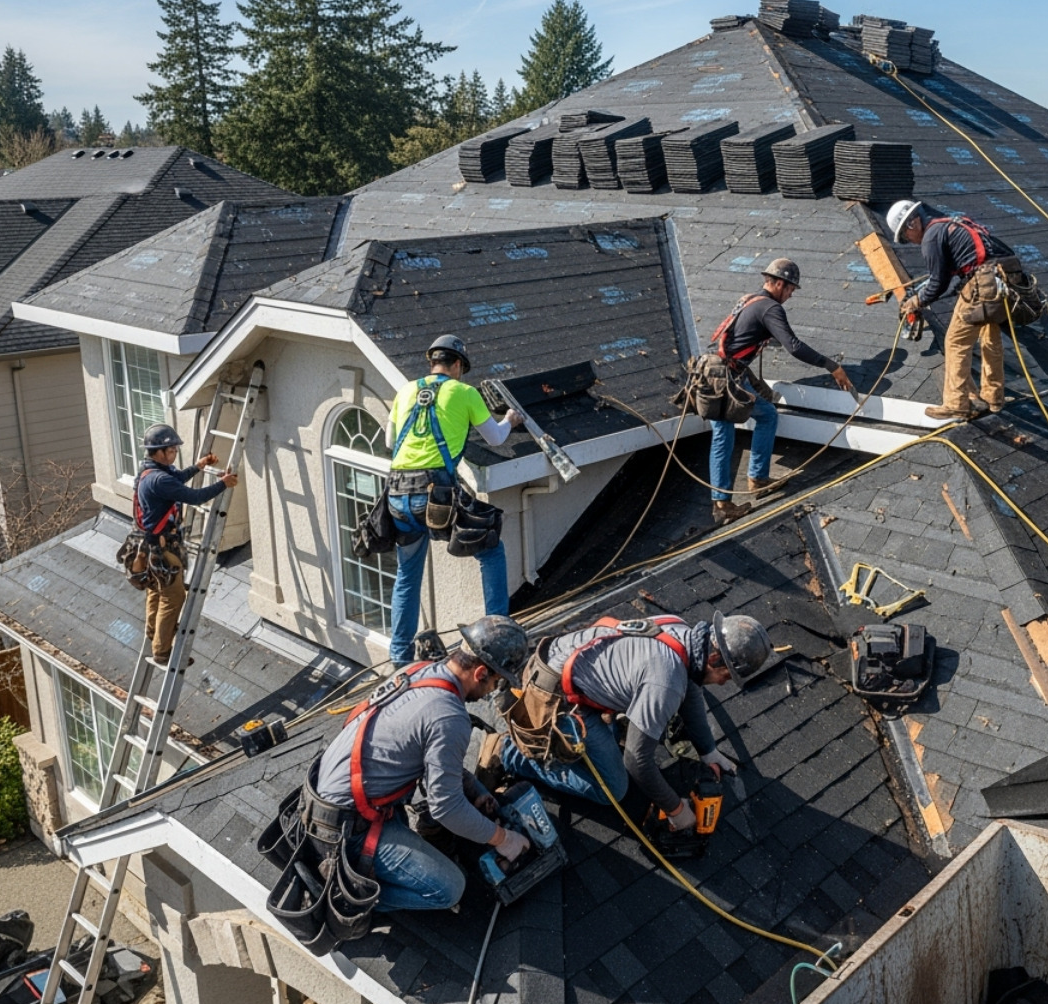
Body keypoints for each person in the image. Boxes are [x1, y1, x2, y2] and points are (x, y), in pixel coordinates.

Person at [313, 616, 532, 912]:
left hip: (326, 796)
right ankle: (348, 894)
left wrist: (476, 789)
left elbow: (430, 760)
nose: (494, 690)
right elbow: (447, 808)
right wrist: (503, 839)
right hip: (343, 828)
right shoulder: (449, 717)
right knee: (449, 890)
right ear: (481, 672)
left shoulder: (418, 671)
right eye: (498, 681)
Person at [499, 612, 772, 831]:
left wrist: (708, 750)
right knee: (614, 789)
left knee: (647, 716)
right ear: (714, 657)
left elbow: (692, 687)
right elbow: (637, 761)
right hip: (557, 697)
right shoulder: (666, 681)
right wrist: (676, 810)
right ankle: (510, 753)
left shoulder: (681, 631)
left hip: (564, 662)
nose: (725, 684)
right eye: (727, 676)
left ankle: (596, 733)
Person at [387, 335, 523, 667]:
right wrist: (509, 420)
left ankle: (399, 657)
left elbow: (391, 441)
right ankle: (498, 636)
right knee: (491, 548)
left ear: (432, 362)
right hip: (435, 497)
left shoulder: (405, 391)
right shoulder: (464, 392)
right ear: (458, 366)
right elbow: (495, 437)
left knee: (407, 574)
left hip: (396, 496)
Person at [708, 258, 854, 525]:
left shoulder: (749, 299)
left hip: (719, 373)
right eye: (789, 289)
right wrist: (831, 365)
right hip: (729, 379)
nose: (789, 296)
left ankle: (757, 480)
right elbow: (794, 346)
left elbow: (745, 336)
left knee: (765, 416)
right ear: (777, 283)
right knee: (724, 435)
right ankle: (723, 504)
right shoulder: (770, 309)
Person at [887, 200, 1018, 420]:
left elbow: (938, 282)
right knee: (989, 337)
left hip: (981, 282)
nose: (908, 241)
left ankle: (956, 403)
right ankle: (993, 397)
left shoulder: (930, 237)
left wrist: (916, 301)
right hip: (1001, 281)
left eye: (904, 236)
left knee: (955, 342)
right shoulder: (948, 224)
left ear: (912, 223)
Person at [134, 424, 237, 666]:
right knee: (174, 596)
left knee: (157, 591)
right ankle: (162, 651)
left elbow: (176, 478)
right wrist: (224, 483)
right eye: (171, 450)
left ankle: (155, 633)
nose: (174, 454)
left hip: (150, 545)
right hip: (163, 547)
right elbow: (195, 497)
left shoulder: (149, 472)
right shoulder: (159, 479)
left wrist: (199, 466)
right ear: (159, 452)